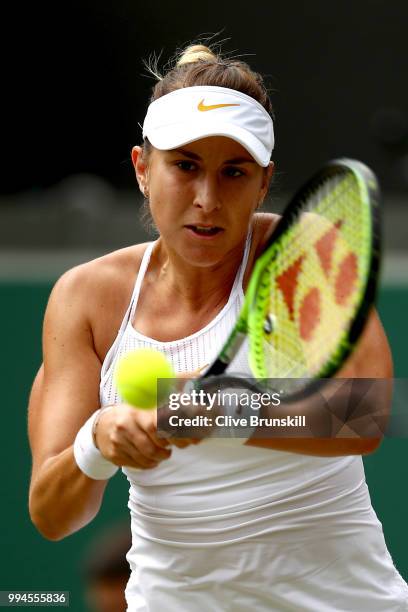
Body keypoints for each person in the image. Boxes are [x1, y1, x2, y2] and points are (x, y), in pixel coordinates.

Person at [28, 43, 408, 611]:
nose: (207, 199)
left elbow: (367, 415)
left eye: (234, 172)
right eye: (185, 167)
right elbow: (53, 514)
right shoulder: (86, 298)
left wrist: (205, 409)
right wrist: (98, 440)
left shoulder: (306, 255)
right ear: (141, 168)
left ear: (263, 182)